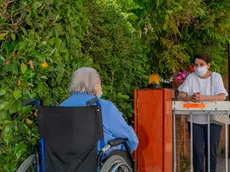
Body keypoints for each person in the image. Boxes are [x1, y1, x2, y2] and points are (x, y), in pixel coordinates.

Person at [60, 67, 138, 154]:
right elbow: (131, 139)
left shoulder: (61, 107)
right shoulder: (104, 107)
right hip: (98, 162)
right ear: (96, 85)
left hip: (64, 161)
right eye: (100, 84)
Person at [178, 53, 228, 172]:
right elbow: (181, 94)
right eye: (196, 65)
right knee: (197, 152)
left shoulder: (216, 77)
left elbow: (222, 96)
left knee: (211, 152)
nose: (198, 67)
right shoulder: (191, 77)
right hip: (195, 120)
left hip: (213, 121)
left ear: (208, 65)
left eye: (201, 64)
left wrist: (204, 98)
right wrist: (190, 98)